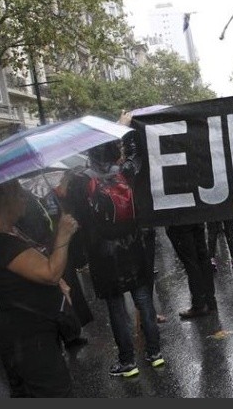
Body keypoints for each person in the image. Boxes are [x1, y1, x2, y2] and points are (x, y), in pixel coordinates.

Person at [56, 111, 164, 378]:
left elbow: (74, 216)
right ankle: (155, 353)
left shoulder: (80, 180)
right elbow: (137, 153)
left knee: (116, 309)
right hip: (133, 246)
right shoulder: (126, 172)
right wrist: (123, 128)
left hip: (103, 253)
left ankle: (128, 362)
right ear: (113, 150)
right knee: (144, 300)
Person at [0, 179, 79, 397]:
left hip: (21, 335)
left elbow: (32, 270)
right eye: (19, 194)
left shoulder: (0, 235)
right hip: (28, 340)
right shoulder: (1, 244)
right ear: (5, 202)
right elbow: (50, 272)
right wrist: (63, 235)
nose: (24, 198)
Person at [15, 187, 92, 349]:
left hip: (51, 245)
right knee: (57, 293)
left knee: (67, 290)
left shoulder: (32, 196)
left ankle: (71, 331)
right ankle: (65, 332)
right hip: (43, 250)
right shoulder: (20, 202)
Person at [166, 222, 217, 319]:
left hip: (178, 220)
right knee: (202, 257)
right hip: (193, 217)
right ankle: (209, 300)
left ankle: (200, 304)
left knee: (191, 262)